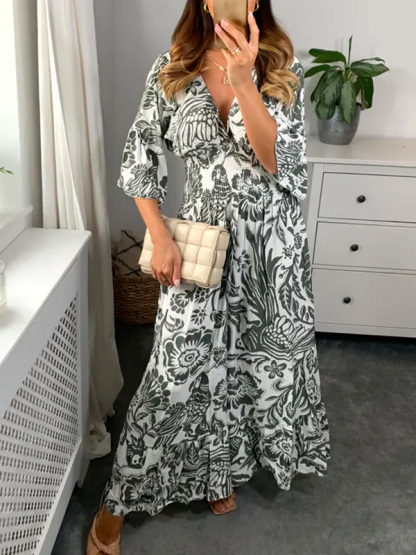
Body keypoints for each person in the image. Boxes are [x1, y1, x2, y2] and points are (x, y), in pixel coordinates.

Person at [87, 0, 331, 553]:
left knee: (248, 369)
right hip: (202, 246)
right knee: (171, 375)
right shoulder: (172, 65)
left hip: (271, 251)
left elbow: (283, 164)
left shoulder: (280, 66)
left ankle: (220, 473)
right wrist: (159, 235)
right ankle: (114, 506)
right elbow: (140, 156)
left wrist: (245, 81)